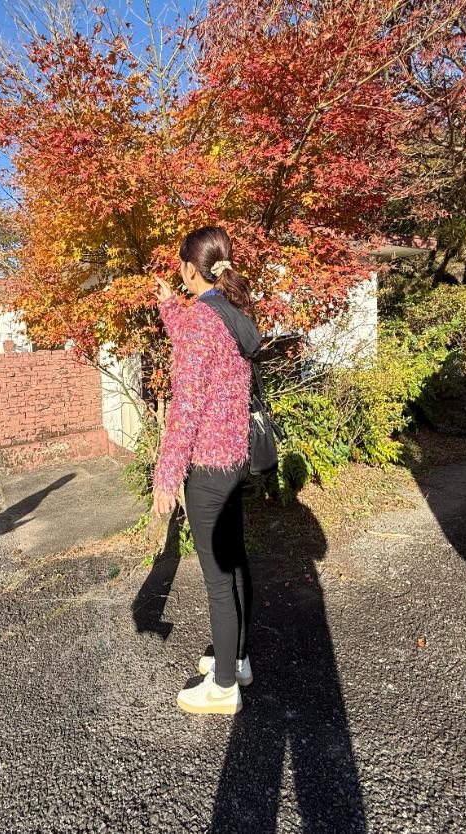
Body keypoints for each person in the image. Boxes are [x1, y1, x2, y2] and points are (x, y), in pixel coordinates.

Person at [152, 225, 262, 715]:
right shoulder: (229, 311)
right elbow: (197, 339)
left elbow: (186, 406)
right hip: (236, 460)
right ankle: (237, 661)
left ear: (188, 269)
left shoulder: (202, 320)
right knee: (235, 564)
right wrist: (169, 306)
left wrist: (166, 475)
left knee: (218, 580)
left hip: (209, 468)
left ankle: (222, 689)